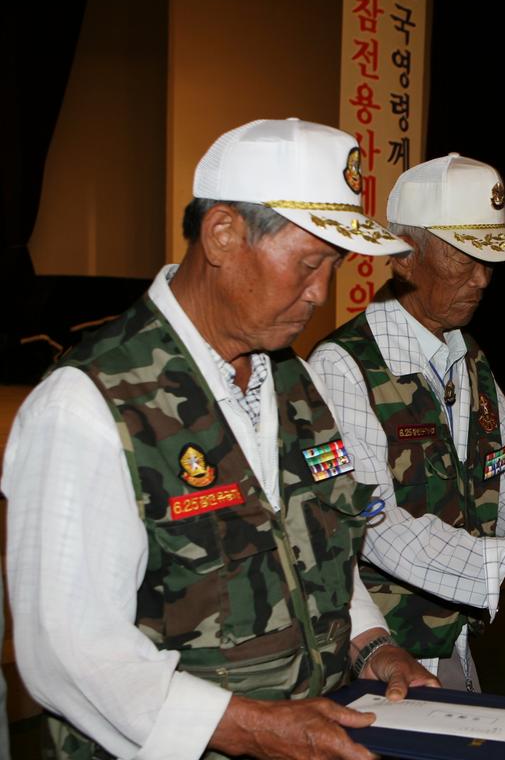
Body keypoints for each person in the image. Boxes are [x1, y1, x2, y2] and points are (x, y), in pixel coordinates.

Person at [2, 118, 437, 760]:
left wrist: (372, 645)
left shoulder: (290, 378)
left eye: (333, 266)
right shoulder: (92, 402)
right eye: (309, 263)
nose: (321, 294)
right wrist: (252, 728)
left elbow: (316, 544)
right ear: (224, 234)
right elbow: (66, 651)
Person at [309, 153, 505, 692]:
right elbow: (376, 529)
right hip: (382, 646)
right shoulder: (344, 365)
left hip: (452, 634)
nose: (482, 279)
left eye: (490, 259)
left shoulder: (468, 357)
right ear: (404, 256)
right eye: (464, 257)